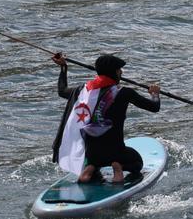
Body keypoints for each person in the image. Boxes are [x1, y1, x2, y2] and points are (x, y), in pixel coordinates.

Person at [51, 52, 160, 184]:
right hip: (116, 152)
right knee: (137, 162)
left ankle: (90, 168)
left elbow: (62, 90)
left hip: (91, 154)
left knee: (93, 161)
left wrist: (63, 68)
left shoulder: (82, 91)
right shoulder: (124, 92)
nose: (121, 72)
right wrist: (155, 94)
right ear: (114, 72)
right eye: (119, 70)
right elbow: (154, 107)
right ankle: (118, 166)